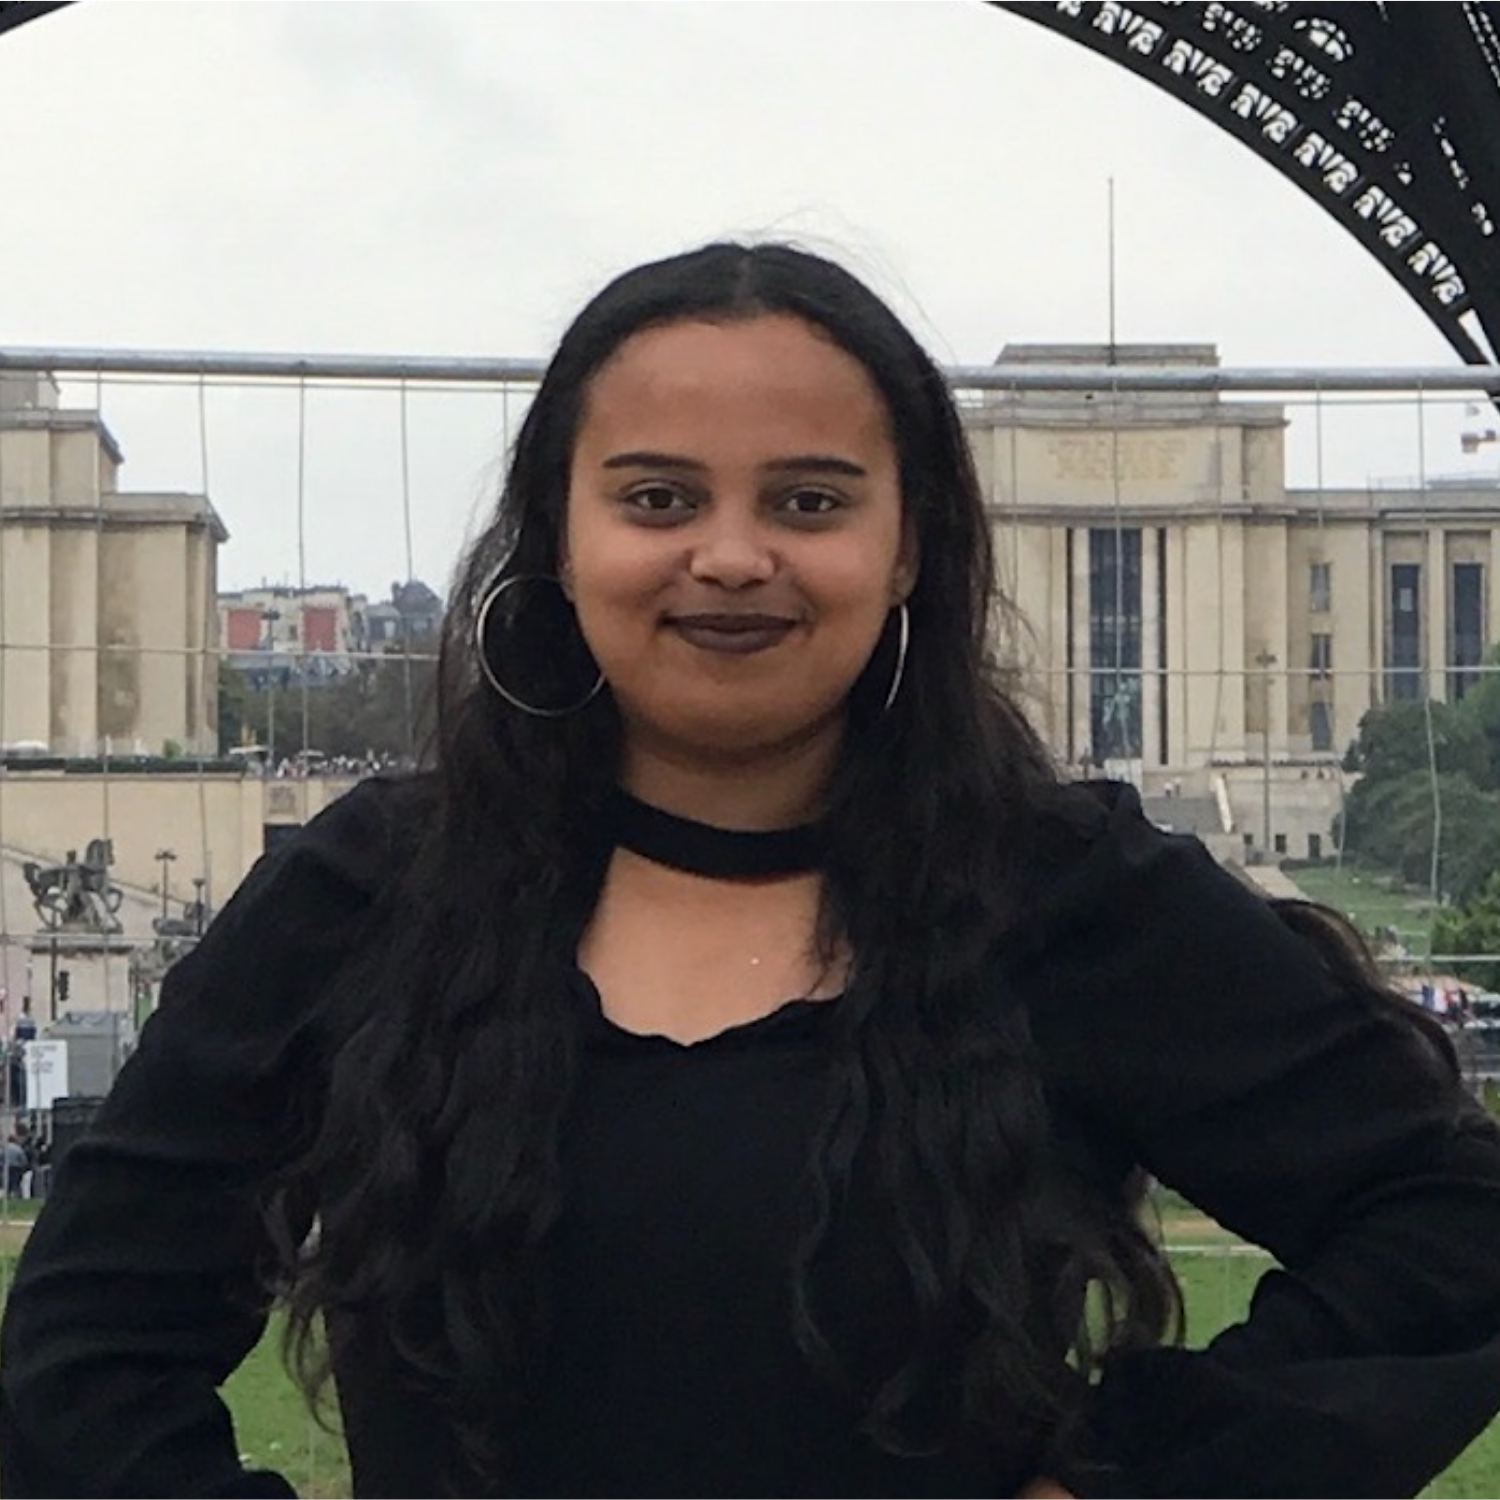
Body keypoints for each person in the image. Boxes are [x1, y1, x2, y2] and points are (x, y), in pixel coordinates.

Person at [4, 242, 1500, 1499]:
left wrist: (1129, 1480)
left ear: (908, 547)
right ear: (560, 534)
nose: (730, 556)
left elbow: (1450, 1223)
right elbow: (83, 1356)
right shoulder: (364, 900)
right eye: (658, 498)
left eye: (809, 501)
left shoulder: (1073, 901)